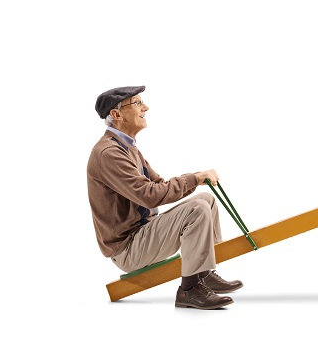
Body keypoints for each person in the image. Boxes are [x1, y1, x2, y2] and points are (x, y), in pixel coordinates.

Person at [87, 85, 245, 309]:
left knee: (205, 200)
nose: (146, 108)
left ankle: (203, 273)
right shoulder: (109, 153)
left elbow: (158, 185)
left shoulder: (127, 148)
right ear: (116, 114)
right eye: (137, 103)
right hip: (128, 248)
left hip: (143, 234)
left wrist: (195, 180)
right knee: (196, 210)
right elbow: (150, 196)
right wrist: (194, 178)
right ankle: (189, 289)